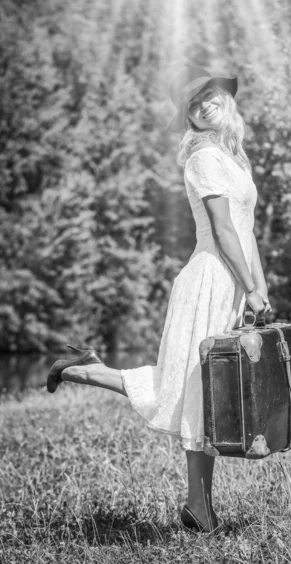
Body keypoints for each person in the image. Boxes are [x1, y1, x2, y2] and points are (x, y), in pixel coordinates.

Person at [47, 66, 272, 533]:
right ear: (188, 116)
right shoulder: (203, 157)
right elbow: (224, 230)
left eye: (210, 94)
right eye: (194, 102)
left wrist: (260, 284)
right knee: (197, 391)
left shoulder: (234, 157)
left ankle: (85, 367)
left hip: (234, 278)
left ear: (224, 99)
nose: (205, 104)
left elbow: (247, 232)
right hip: (211, 278)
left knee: (199, 389)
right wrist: (249, 285)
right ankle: (198, 508)